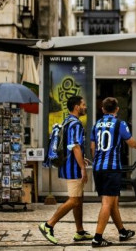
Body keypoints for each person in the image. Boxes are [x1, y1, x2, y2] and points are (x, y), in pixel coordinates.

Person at [39, 96, 94, 244]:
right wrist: (82, 167)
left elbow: (72, 147)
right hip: (74, 168)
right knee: (74, 200)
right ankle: (48, 225)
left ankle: (80, 231)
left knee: (79, 199)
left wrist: (82, 159)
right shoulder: (76, 124)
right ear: (76, 107)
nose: (85, 107)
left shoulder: (67, 120)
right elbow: (75, 146)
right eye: (83, 104)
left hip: (70, 165)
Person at [89, 97, 136, 247]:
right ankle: (97, 238)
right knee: (107, 203)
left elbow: (93, 148)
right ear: (117, 109)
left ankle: (122, 232)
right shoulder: (120, 124)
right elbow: (130, 142)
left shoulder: (96, 124)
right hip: (112, 168)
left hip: (98, 168)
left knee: (113, 202)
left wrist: (98, 160)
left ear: (103, 109)